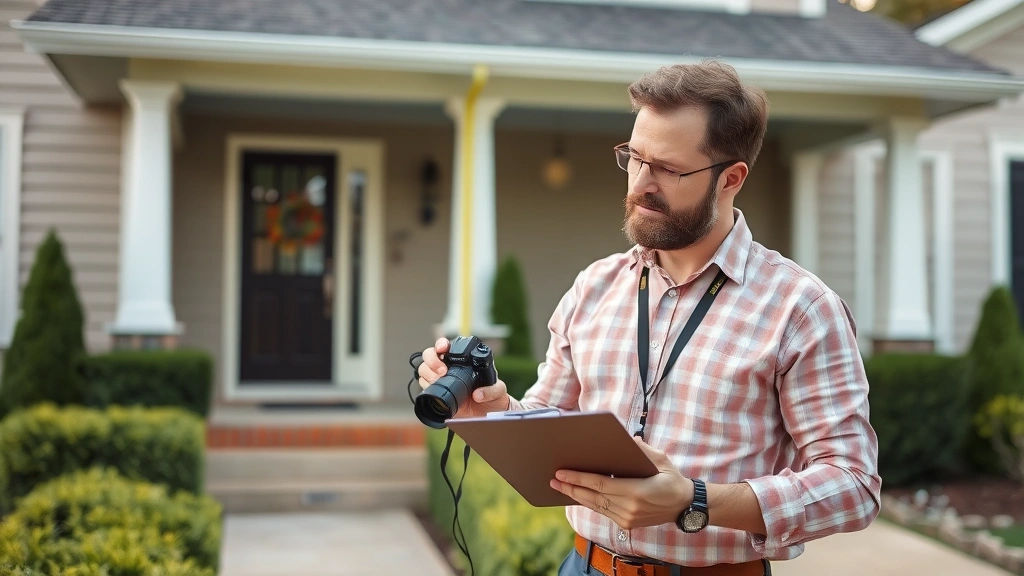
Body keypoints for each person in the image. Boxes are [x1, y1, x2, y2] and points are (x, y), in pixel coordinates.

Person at [417, 59, 880, 576]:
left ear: (732, 178)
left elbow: (853, 485)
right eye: (634, 158)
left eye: (668, 169)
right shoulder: (593, 286)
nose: (640, 183)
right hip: (583, 566)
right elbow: (549, 418)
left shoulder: (802, 308)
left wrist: (696, 500)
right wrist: (494, 410)